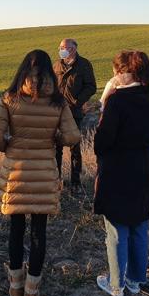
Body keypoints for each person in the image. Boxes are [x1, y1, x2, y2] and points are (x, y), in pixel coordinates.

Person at [0, 49, 81, 296]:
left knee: (16, 230)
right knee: (39, 232)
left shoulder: (10, 98)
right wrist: (55, 141)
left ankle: (15, 288)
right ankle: (32, 292)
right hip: (43, 172)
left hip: (16, 173)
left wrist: (9, 146)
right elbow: (73, 136)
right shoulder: (58, 102)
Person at [93, 50, 149, 296]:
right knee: (139, 226)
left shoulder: (117, 101)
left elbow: (102, 142)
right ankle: (136, 280)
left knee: (116, 229)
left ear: (122, 73)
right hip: (145, 167)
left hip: (117, 169)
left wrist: (105, 107)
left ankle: (116, 284)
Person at [53, 38, 96, 191]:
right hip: (57, 112)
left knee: (74, 147)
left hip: (74, 112)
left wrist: (77, 101)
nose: (61, 49)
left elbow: (91, 86)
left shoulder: (84, 64)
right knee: (56, 148)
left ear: (73, 49)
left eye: (64, 47)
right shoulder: (57, 65)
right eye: (60, 47)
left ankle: (76, 182)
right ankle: (56, 181)